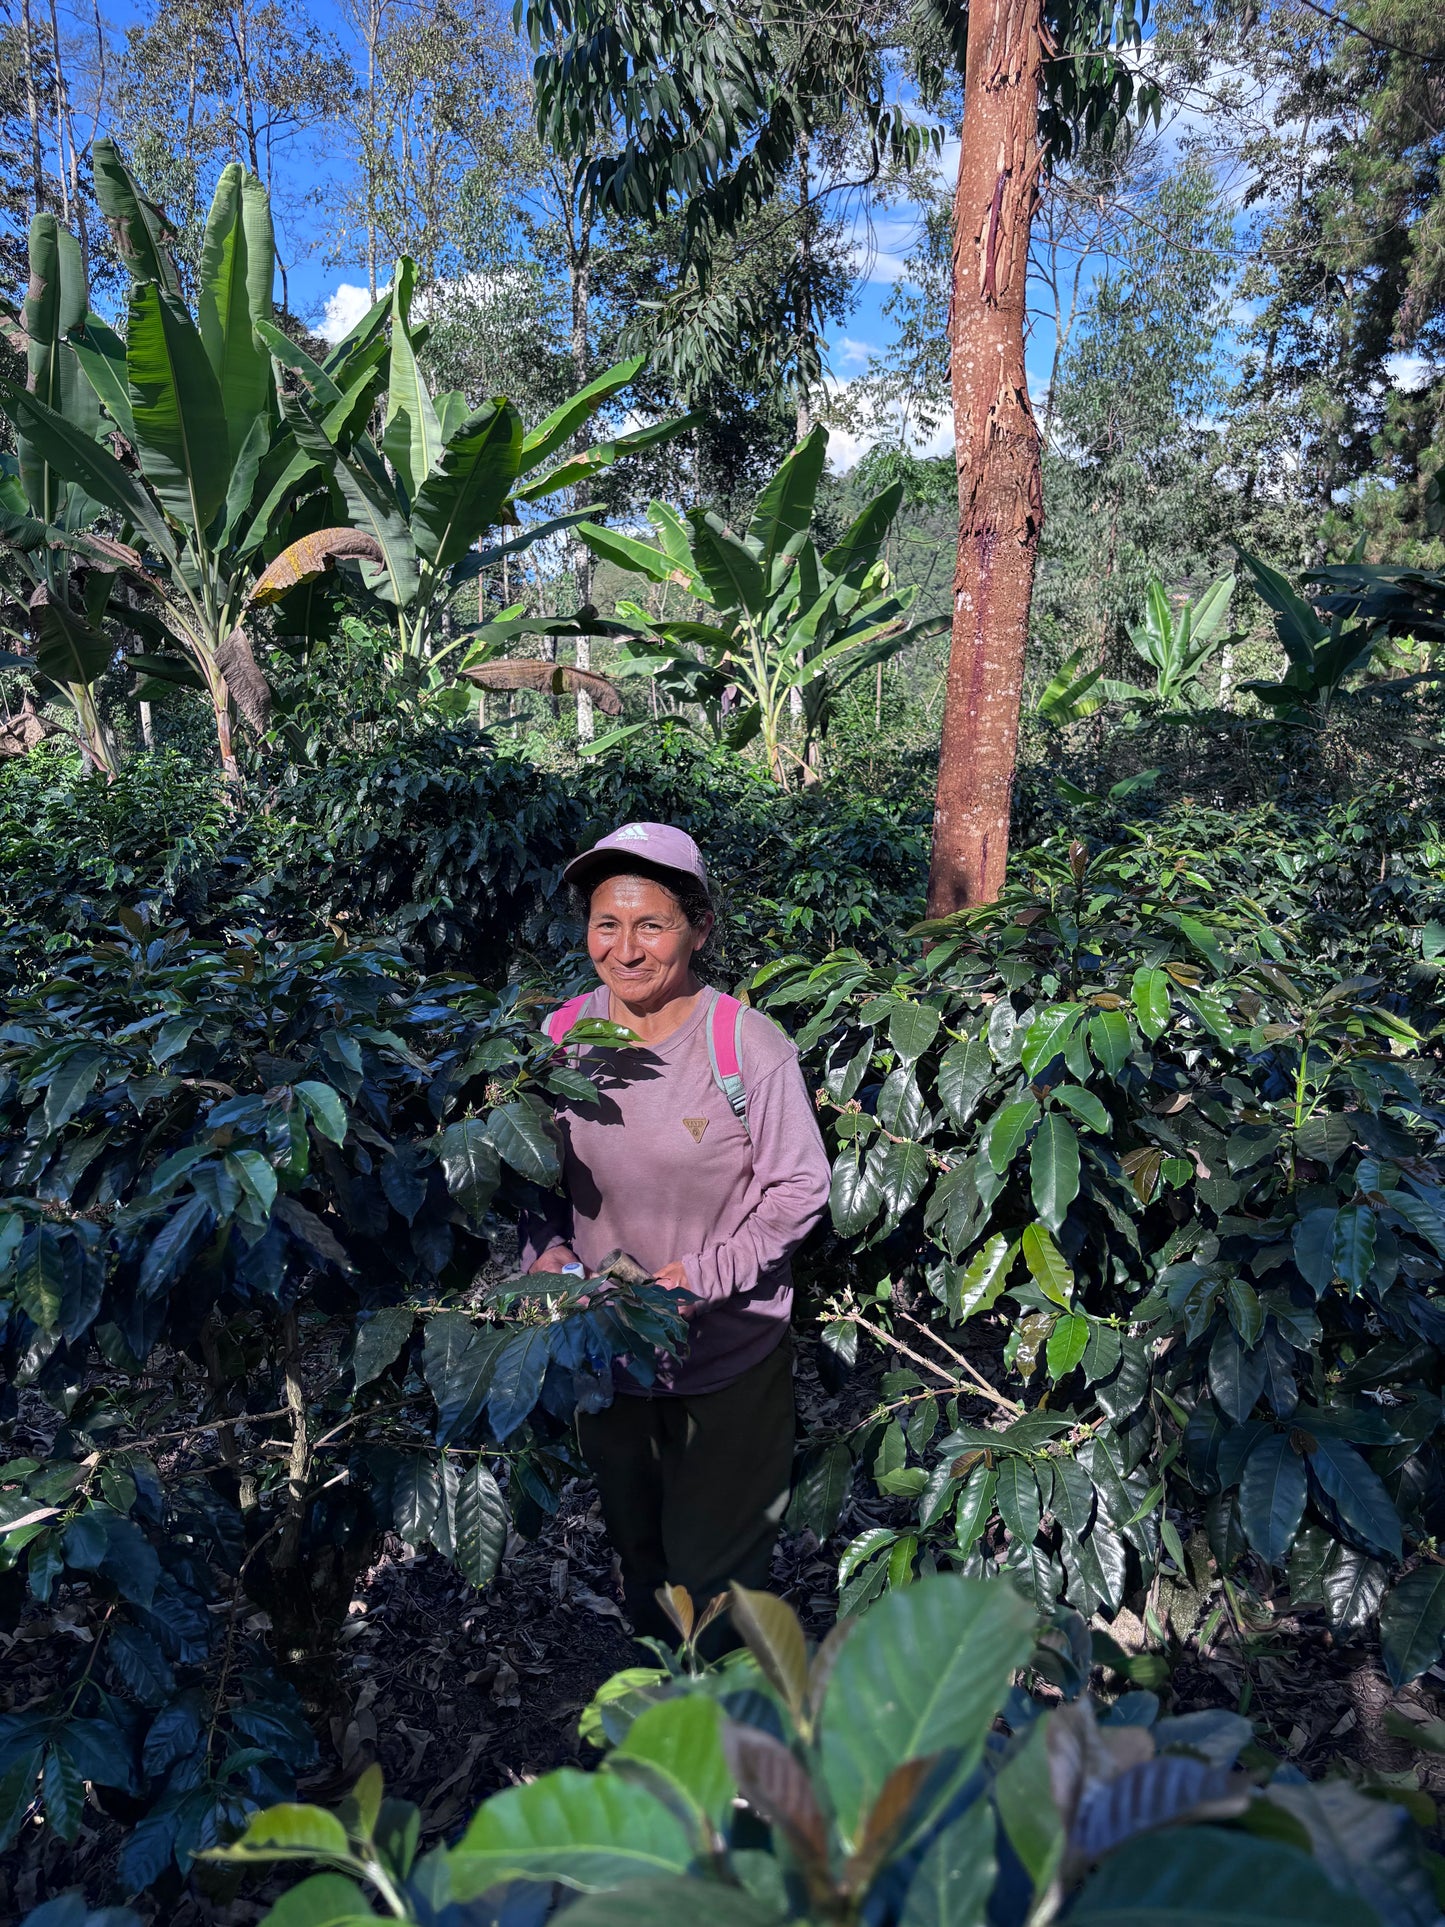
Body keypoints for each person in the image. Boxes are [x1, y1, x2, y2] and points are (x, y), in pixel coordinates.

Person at [520, 821, 830, 1650]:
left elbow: (799, 1188)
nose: (625, 948)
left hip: (725, 1361)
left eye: (650, 924)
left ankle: (717, 1739)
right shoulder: (558, 1042)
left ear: (698, 928)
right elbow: (532, 1178)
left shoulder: (743, 1045)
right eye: (605, 923)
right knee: (640, 1557)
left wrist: (698, 1278)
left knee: (717, 1582)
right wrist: (546, 1255)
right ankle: (657, 1706)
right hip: (608, 1357)